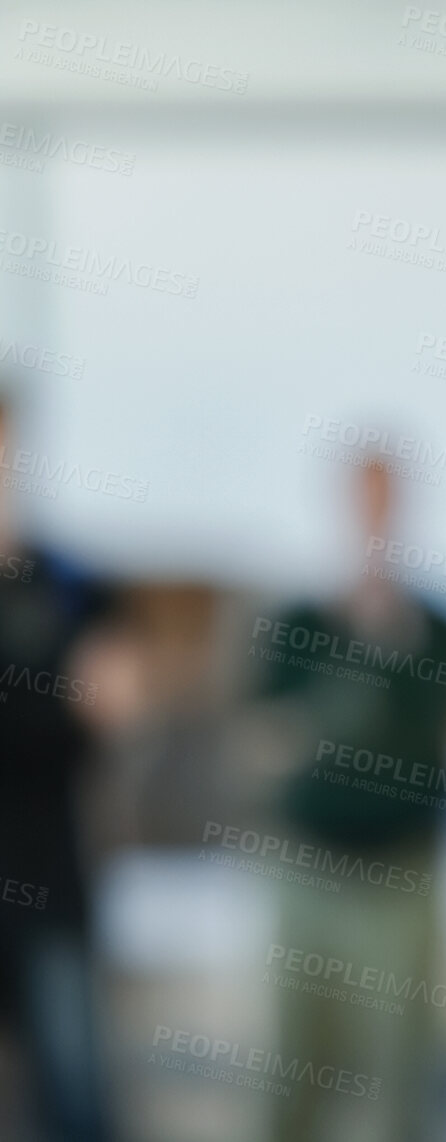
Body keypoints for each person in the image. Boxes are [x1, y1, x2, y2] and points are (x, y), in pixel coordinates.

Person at [253, 456, 446, 1142]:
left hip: (402, 869)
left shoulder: (440, 632)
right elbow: (265, 740)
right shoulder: (296, 624)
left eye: (387, 500)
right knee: (295, 1063)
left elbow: (433, 736)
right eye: (364, 500)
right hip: (309, 866)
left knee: (405, 1070)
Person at [0, 394, 116, 1142]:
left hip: (51, 885)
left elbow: (114, 707)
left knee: (76, 1104)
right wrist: (58, 699)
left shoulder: (72, 584)